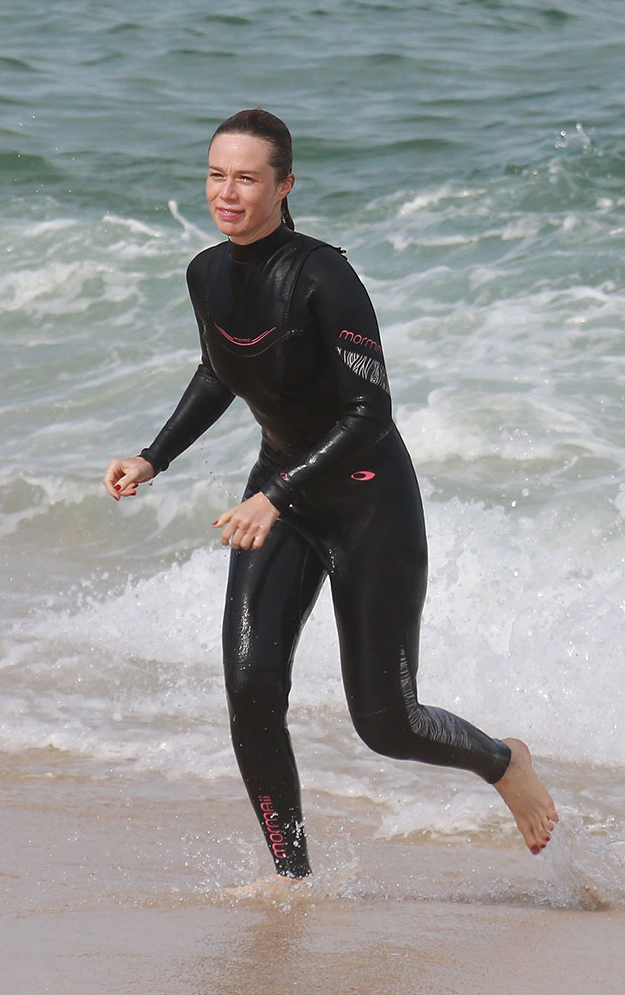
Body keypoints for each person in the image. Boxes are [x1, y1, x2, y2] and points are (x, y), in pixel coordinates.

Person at [104, 108, 558, 891]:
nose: (228, 192)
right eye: (217, 174)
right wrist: (154, 457)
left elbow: (368, 414)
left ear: (285, 185)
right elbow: (222, 370)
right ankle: (294, 877)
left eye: (247, 178)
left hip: (369, 506)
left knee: (387, 723)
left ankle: (503, 761)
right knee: (250, 689)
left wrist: (275, 495)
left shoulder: (324, 277)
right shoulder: (206, 272)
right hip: (282, 496)